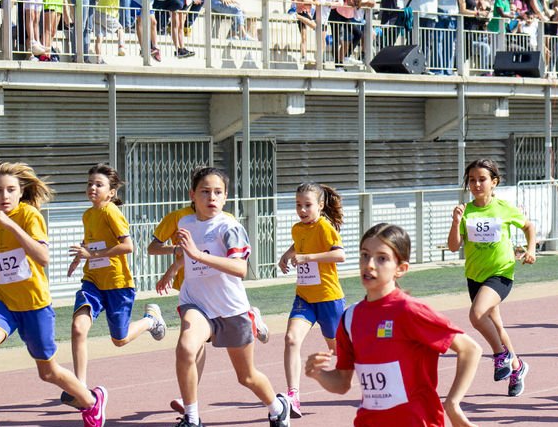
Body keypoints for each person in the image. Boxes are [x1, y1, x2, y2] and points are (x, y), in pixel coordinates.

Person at [0, 161, 110, 427]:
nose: (4, 196)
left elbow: (43, 257)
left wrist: (11, 226)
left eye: (10, 190)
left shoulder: (30, 216)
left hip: (34, 304)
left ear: (21, 192)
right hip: (2, 301)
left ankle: (91, 400)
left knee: (48, 372)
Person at [304, 223, 481, 426]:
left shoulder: (409, 311)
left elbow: (470, 349)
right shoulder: (350, 318)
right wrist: (319, 374)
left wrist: (453, 404)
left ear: (401, 269)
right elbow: (342, 382)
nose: (369, 264)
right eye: (364, 255)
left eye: (382, 258)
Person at [171, 167, 292, 427]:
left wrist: (198, 255)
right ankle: (192, 418)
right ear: (193, 195)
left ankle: (277, 406)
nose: (211, 197)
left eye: (218, 192)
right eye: (205, 192)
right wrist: (172, 270)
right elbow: (186, 254)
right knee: (186, 347)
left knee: (246, 376)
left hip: (231, 308)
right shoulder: (185, 224)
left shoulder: (230, 228)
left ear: (226, 197)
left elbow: (240, 269)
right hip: (197, 303)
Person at [63, 164, 167, 407]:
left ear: (110, 192)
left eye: (98, 185)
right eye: (90, 183)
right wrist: (81, 256)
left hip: (118, 285)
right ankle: (80, 389)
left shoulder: (111, 212)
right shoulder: (88, 214)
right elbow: (90, 242)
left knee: (119, 339)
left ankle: (151, 320)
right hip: (92, 282)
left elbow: (128, 246)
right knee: (78, 328)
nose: (92, 188)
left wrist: (90, 254)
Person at [445, 159, 536, 397]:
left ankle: (501, 355)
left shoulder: (504, 208)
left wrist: (531, 249)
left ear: (494, 182)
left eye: (482, 179)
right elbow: (454, 247)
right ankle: (517, 367)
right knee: (496, 325)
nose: (476, 184)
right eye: (472, 180)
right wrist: (455, 223)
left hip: (501, 273)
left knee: (476, 315)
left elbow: (528, 226)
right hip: (475, 276)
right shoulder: (466, 211)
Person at [276, 183, 347, 418]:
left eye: (307, 205)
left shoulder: (325, 227)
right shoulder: (297, 228)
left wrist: (309, 257)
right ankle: (293, 396)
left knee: (339, 351)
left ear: (320, 205)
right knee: (290, 339)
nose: (302, 210)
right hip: (304, 297)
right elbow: (299, 244)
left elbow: (340, 254)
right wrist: (288, 254)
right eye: (298, 205)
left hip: (329, 298)